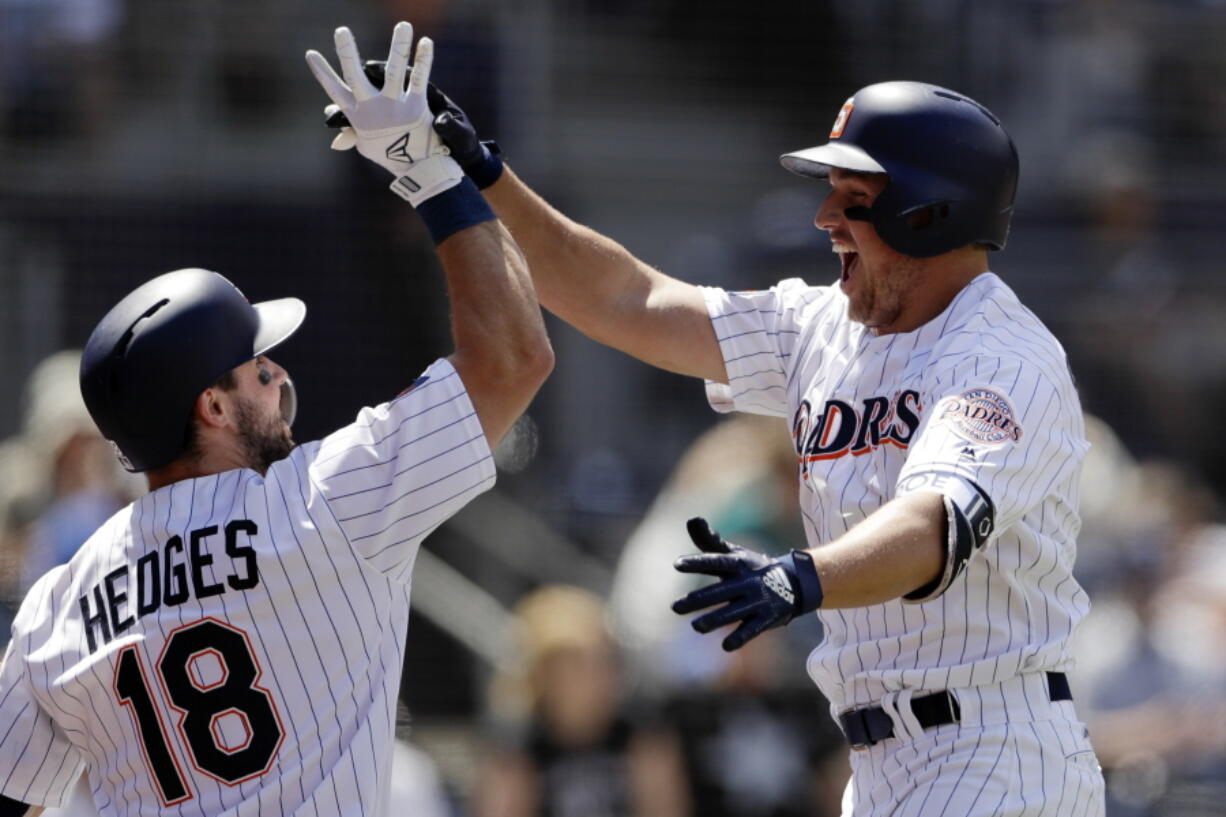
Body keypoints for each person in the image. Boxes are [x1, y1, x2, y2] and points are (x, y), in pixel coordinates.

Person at [361, 77, 1107, 814]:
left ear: (930, 213)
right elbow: (633, 302)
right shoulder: (823, 329)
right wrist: (480, 179)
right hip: (888, 763)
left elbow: (933, 526)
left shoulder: (1002, 360)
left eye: (853, 199)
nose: (824, 218)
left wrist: (796, 579)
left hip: (994, 751)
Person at [0, 21, 552, 817]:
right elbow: (513, 357)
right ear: (213, 406)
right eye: (259, 367)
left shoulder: (60, 601)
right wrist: (430, 173)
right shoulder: (327, 496)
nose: (280, 374)